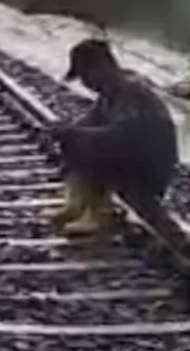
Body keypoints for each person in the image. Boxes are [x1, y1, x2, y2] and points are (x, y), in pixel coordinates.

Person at [49, 38, 178, 235]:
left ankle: (99, 212)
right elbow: (90, 123)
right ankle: (77, 203)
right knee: (76, 139)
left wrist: (78, 135)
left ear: (100, 68)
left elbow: (126, 137)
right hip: (135, 159)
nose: (85, 83)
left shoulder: (130, 90)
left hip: (149, 169)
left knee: (88, 144)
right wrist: (66, 131)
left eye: (85, 75)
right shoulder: (110, 92)